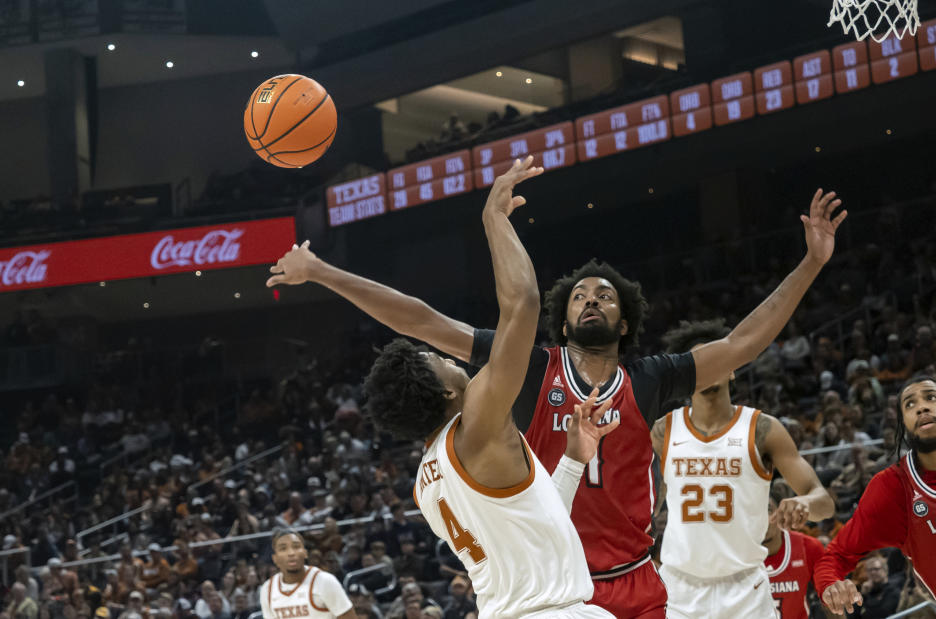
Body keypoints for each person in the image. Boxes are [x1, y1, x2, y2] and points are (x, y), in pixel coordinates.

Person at [267, 186, 846, 618]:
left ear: (626, 321)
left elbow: (742, 342)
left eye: (607, 295)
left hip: (630, 581)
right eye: (580, 296)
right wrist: (325, 273)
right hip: (562, 589)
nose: (593, 299)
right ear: (562, 318)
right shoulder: (524, 370)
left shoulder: (651, 378)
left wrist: (811, 263)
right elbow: (423, 319)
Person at [358, 158, 617, 617]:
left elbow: (535, 523)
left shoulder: (426, 483)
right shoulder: (475, 426)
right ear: (445, 394)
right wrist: (493, 219)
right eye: (438, 361)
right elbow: (523, 303)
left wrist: (574, 460)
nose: (447, 357)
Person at [651, 319, 836, 619]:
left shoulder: (764, 429)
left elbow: (824, 503)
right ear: (686, 376)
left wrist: (804, 503)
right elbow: (645, 506)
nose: (710, 369)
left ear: (733, 367)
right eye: (700, 364)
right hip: (681, 589)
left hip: (746, 590)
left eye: (717, 360)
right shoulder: (663, 431)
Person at [814, 376, 936, 617]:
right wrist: (831, 584)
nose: (922, 407)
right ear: (905, 424)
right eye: (910, 405)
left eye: (931, 398)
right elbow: (835, 556)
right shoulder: (894, 488)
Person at [762, 495, 839, 619]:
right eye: (755, 511)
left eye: (768, 509)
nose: (762, 517)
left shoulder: (808, 547)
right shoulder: (734, 552)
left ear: (780, 513)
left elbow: (832, 601)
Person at [259, 529, 356, 619]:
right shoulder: (267, 589)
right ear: (275, 558)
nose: (291, 553)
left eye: (296, 546)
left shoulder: (325, 581)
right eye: (283, 549)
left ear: (305, 553)